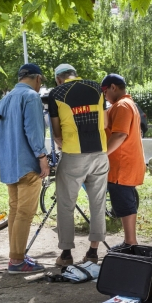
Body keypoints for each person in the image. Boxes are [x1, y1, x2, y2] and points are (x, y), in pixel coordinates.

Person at [48, 63, 109, 266]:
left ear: (58, 78)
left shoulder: (56, 93)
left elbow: (56, 132)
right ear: (75, 74)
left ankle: (66, 254)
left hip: (74, 154)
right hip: (100, 153)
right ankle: (93, 252)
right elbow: (106, 123)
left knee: (66, 204)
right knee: (98, 203)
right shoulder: (96, 88)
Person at [0, 63, 50, 274]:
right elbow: (33, 130)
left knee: (15, 211)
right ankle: (17, 261)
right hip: (27, 164)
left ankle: (15, 256)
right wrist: (42, 157)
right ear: (37, 78)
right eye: (41, 82)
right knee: (25, 213)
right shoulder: (31, 97)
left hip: (9, 164)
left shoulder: (4, 100)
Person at [101, 74, 145, 248]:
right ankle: (129, 241)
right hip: (123, 164)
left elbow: (120, 134)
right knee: (123, 202)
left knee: (125, 204)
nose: (104, 96)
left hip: (122, 164)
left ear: (113, 87)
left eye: (105, 91)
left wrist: (102, 155)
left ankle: (131, 242)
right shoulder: (126, 105)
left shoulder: (122, 106)